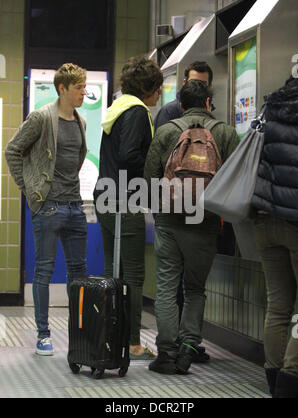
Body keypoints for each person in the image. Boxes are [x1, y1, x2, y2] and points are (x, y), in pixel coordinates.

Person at [144, 79, 238, 374]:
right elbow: (235, 179)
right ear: (208, 102)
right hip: (205, 223)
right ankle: (189, 346)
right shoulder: (224, 132)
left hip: (169, 222)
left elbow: (148, 179)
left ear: (181, 105)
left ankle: (167, 354)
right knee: (195, 288)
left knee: (167, 287)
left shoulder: (166, 132)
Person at [5, 63, 88, 356]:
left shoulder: (81, 121)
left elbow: (76, 161)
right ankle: (43, 335)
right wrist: (29, 188)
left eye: (84, 86)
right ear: (62, 89)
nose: (83, 92)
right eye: (78, 87)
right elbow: (12, 150)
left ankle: (80, 333)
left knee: (79, 274)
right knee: (44, 271)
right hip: (49, 207)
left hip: (75, 206)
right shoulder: (41, 118)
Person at [93, 56, 163, 360]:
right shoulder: (136, 112)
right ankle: (133, 343)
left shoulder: (116, 109)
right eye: (158, 88)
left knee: (112, 270)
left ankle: (108, 337)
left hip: (105, 196)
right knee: (134, 275)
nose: (160, 94)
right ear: (148, 88)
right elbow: (128, 156)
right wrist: (155, 165)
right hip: (124, 200)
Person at [251, 75, 298, 398]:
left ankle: (273, 375)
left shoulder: (270, 108)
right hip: (296, 221)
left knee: (278, 303)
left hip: (265, 219)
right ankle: (293, 375)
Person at [154, 61, 213, 131]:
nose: (197, 87)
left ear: (210, 86)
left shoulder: (211, 109)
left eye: (202, 84)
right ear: (184, 83)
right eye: (193, 82)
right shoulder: (169, 111)